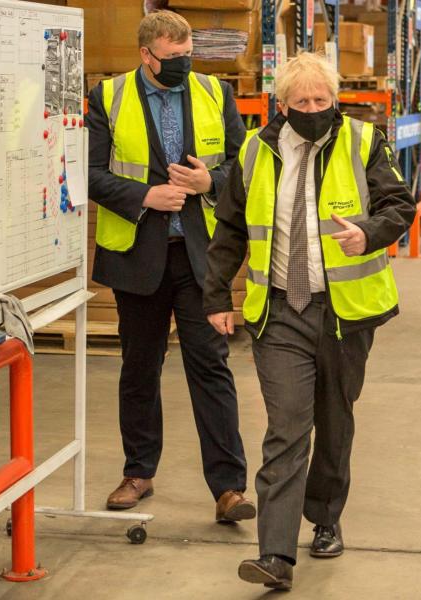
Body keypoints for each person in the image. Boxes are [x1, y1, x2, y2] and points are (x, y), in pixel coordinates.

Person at [203, 52, 416, 591]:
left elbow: (400, 204)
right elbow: (229, 229)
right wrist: (214, 297)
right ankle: (275, 554)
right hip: (279, 311)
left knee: (334, 417)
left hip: (347, 312)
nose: (314, 109)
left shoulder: (364, 142)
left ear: (334, 101)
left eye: (323, 101)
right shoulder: (255, 151)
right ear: (282, 105)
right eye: (302, 102)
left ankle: (325, 516)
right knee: (288, 426)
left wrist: (368, 232)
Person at [86, 10, 254, 523]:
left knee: (211, 366)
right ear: (146, 55)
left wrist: (212, 182)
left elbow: (244, 165)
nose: (183, 65)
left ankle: (229, 489)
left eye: (187, 56)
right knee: (139, 369)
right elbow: (87, 173)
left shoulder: (212, 92)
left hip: (200, 257)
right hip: (137, 255)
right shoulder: (108, 98)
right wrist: (144, 195)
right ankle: (138, 471)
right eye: (172, 58)